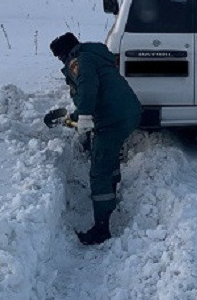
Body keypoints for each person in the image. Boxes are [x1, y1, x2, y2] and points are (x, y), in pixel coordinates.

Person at [50, 32, 142, 245]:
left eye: (59, 57)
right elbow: (94, 94)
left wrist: (82, 117)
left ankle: (101, 228)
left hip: (113, 120)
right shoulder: (94, 55)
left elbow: (88, 88)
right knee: (108, 156)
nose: (61, 62)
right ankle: (113, 192)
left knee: (99, 170)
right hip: (127, 112)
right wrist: (73, 117)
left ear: (65, 52)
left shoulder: (78, 61)